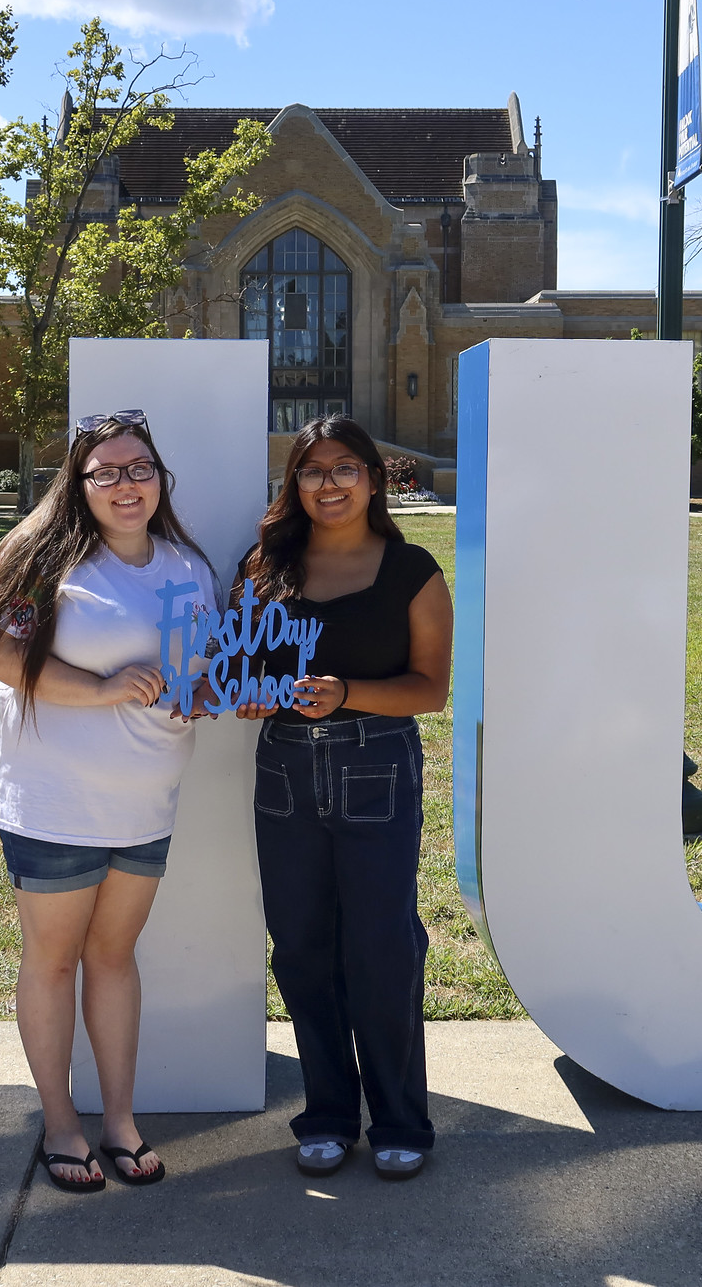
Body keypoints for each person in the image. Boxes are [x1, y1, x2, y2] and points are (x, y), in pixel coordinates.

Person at [0, 410, 218, 1193]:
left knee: (113, 956)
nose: (124, 484)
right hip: (55, 801)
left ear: (159, 476)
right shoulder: (48, 561)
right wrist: (101, 688)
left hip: (146, 800)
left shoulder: (188, 566)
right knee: (55, 958)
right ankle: (62, 1123)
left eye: (137, 467)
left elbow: (202, 661)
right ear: (78, 484)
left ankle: (120, 1120)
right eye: (103, 472)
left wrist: (202, 690)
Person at [234, 414, 453, 1181]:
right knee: (300, 946)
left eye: (344, 468)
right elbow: (240, 671)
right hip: (285, 772)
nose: (328, 483)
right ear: (292, 484)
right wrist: (252, 696)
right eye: (311, 470)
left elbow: (431, 689)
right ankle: (327, 1114)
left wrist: (348, 691)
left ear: (374, 476)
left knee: (383, 947)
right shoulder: (264, 566)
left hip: (375, 768)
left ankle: (401, 1120)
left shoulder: (412, 570)